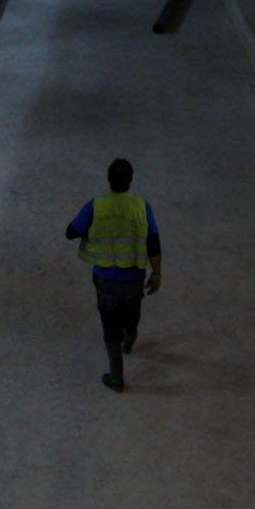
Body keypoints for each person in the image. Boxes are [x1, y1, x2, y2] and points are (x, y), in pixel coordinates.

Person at [65, 158, 162, 392]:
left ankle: (117, 377)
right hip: (134, 279)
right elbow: (153, 243)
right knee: (131, 317)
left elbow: (71, 232)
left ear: (109, 180)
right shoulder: (142, 206)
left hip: (105, 279)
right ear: (130, 181)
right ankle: (129, 344)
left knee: (110, 326)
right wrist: (156, 273)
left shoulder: (95, 206)